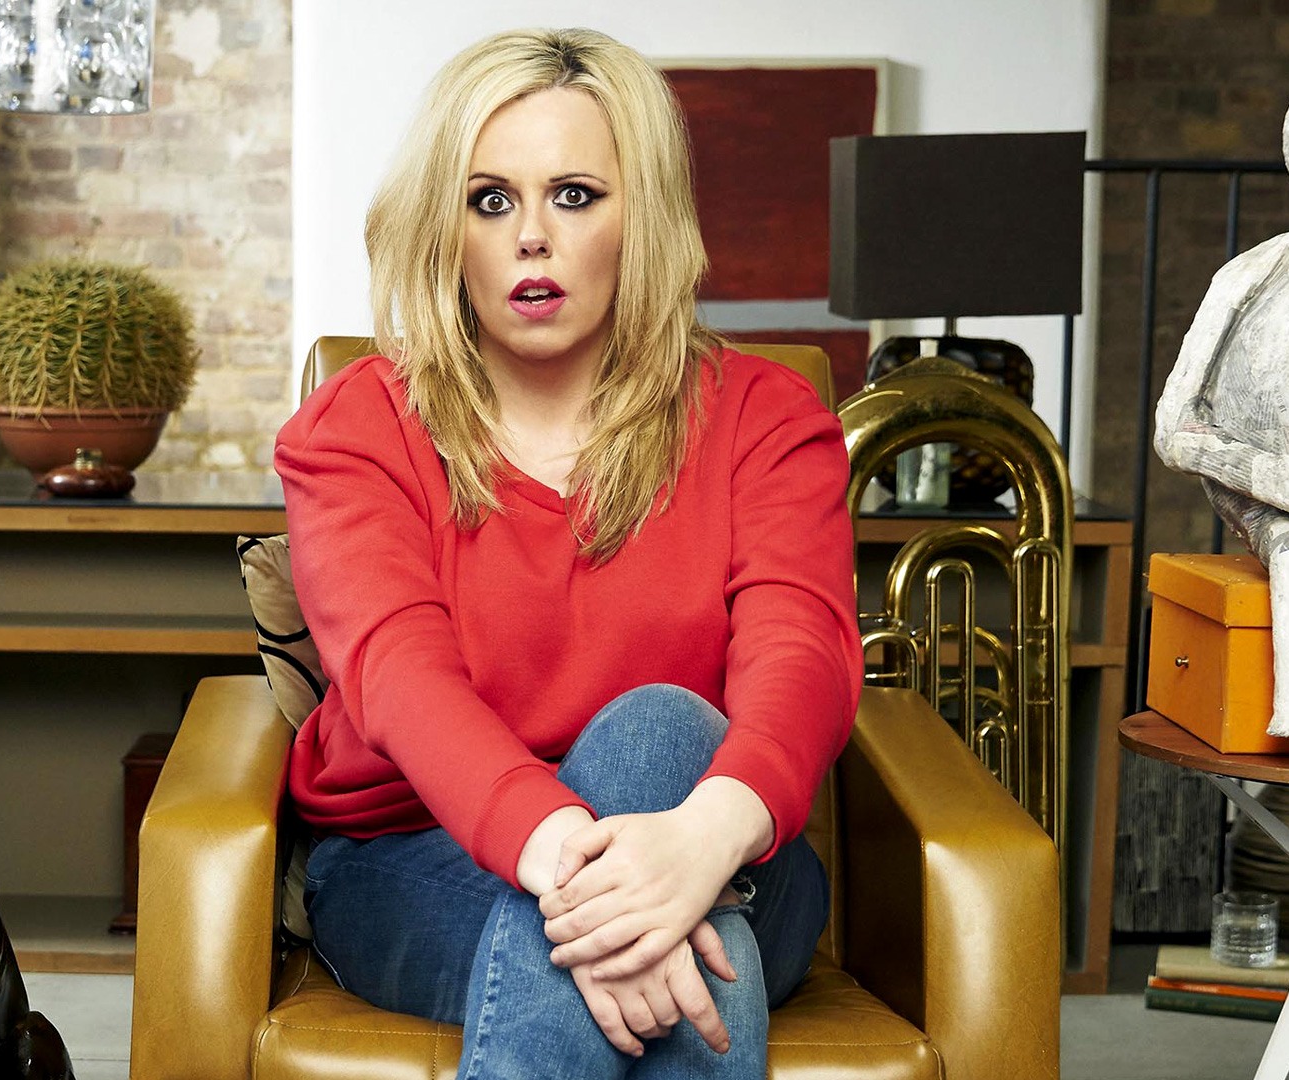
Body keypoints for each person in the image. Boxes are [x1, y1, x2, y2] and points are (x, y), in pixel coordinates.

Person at [272, 26, 862, 1079]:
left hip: (723, 856)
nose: (531, 236)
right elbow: (399, 677)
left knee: (660, 729)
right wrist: (592, 879)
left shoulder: (767, 420)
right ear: (444, 227)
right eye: (490, 200)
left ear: (645, 218)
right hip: (414, 857)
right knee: (680, 967)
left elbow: (801, 650)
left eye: (576, 195)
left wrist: (701, 844)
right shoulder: (356, 429)